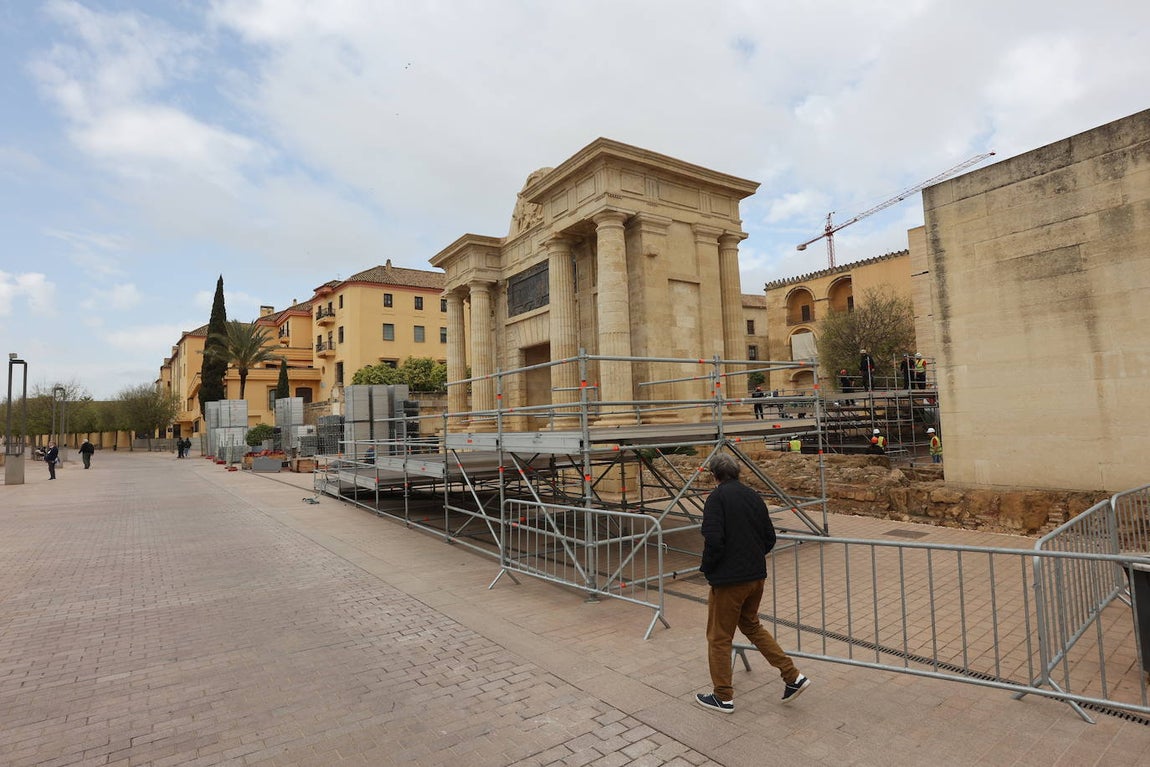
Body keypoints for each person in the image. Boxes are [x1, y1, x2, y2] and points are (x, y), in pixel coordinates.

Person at [694, 453, 810, 713]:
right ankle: (792, 676)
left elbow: (713, 540)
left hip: (729, 580)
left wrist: (708, 569)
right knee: (751, 626)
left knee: (719, 637)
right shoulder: (753, 496)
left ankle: (722, 695)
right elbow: (769, 536)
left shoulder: (717, 498)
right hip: (755, 576)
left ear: (714, 475)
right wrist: (752, 556)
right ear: (737, 472)